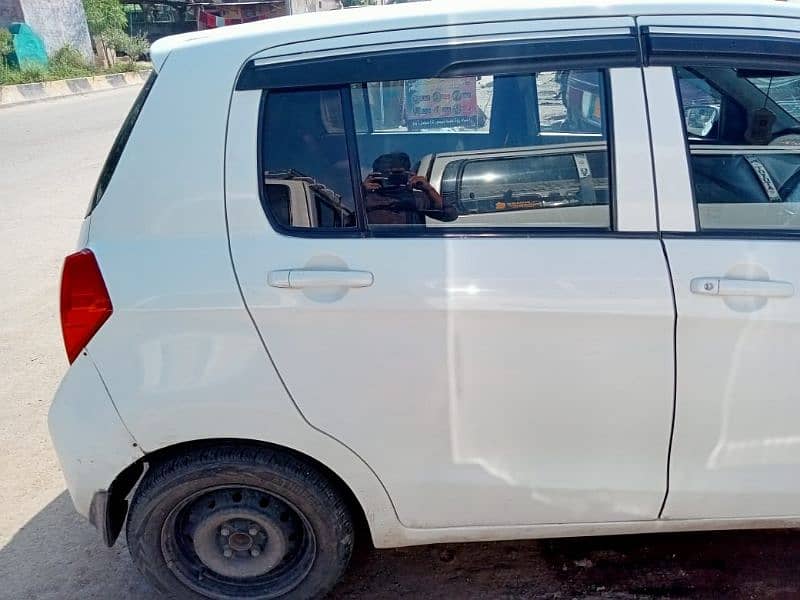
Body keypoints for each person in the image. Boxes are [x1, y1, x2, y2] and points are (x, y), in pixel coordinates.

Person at [363, 152, 458, 225]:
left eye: (398, 173)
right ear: (375, 176)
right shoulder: (366, 199)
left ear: (408, 173)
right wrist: (361, 192)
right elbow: (349, 223)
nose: (392, 177)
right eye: (386, 173)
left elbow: (450, 214)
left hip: (413, 247)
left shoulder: (418, 198)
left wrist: (429, 189)